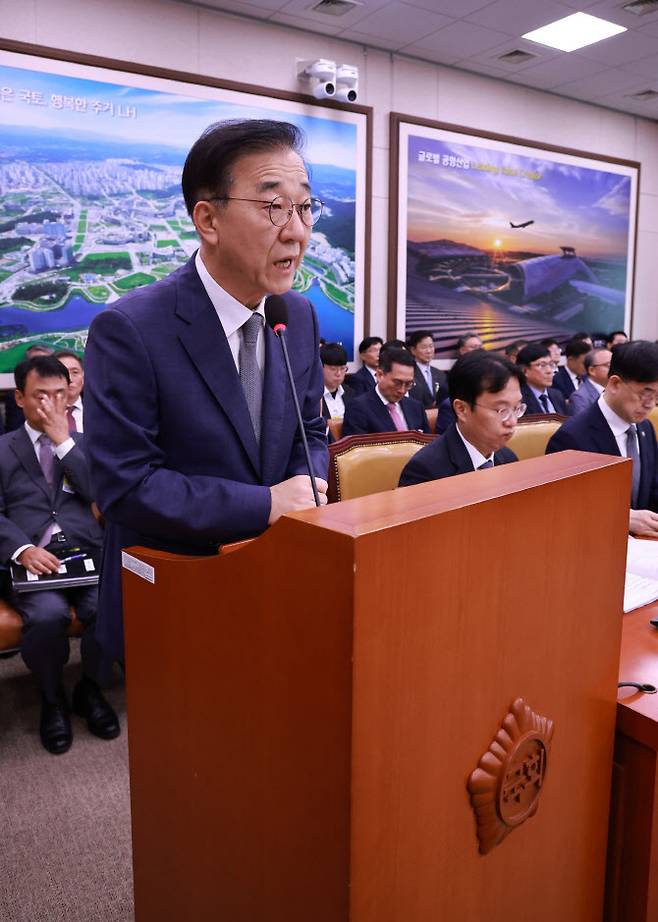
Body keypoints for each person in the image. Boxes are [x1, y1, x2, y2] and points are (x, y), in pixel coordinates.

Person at [84, 119, 329, 662]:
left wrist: (308, 481)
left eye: (305, 207)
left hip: (275, 581)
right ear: (208, 219)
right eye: (273, 207)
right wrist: (265, 504)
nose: (297, 231)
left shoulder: (299, 315)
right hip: (179, 592)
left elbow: (309, 427)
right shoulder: (131, 328)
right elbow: (125, 485)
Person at [0, 356, 118, 753]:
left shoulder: (85, 445)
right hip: (32, 560)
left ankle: (90, 688)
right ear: (19, 398)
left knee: (107, 608)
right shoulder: (3, 449)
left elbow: (99, 493)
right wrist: (22, 549)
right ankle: (52, 699)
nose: (50, 405)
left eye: (59, 395)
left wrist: (62, 441)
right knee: (48, 616)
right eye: (40, 396)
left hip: (86, 554)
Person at [546, 340, 658, 536]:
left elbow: (652, 488)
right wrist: (621, 517)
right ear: (614, 383)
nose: (651, 405)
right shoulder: (571, 439)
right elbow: (562, 510)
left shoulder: (645, 427)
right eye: (645, 394)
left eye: (657, 397)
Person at [399, 352, 522, 487]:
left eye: (516, 408)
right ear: (461, 409)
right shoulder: (425, 471)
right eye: (501, 410)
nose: (512, 422)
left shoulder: (508, 458)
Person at [342, 346, 429, 435]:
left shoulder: (416, 407)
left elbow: (428, 444)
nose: (402, 390)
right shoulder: (358, 408)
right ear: (380, 375)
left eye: (408, 384)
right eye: (397, 383)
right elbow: (358, 447)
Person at [516, 343, 567, 415]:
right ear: (524, 371)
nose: (549, 371)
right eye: (542, 365)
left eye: (551, 364)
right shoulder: (518, 399)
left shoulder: (557, 395)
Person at [407, 329, 448, 409]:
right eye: (424, 347)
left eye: (431, 346)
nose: (429, 351)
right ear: (413, 350)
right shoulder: (409, 373)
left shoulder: (440, 374)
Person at [568, 348, 612, 416]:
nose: (614, 369)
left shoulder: (615, 391)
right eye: (608, 365)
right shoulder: (580, 397)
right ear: (592, 370)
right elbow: (581, 425)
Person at [320, 341, 352, 425]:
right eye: (333, 369)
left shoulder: (351, 393)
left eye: (342, 369)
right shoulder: (313, 396)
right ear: (320, 367)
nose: (338, 374)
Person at [54, 349, 85, 432]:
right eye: (62, 372)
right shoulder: (40, 412)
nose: (70, 379)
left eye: (75, 372)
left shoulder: (99, 412)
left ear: (83, 377)